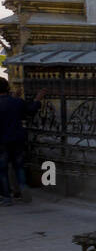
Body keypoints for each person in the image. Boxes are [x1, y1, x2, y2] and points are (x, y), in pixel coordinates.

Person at [0, 77, 45, 206]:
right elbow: (30, 110)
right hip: (18, 139)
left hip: (1, 141)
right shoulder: (17, 102)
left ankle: (6, 197)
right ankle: (23, 187)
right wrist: (38, 99)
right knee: (18, 166)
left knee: (2, 170)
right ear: (7, 88)